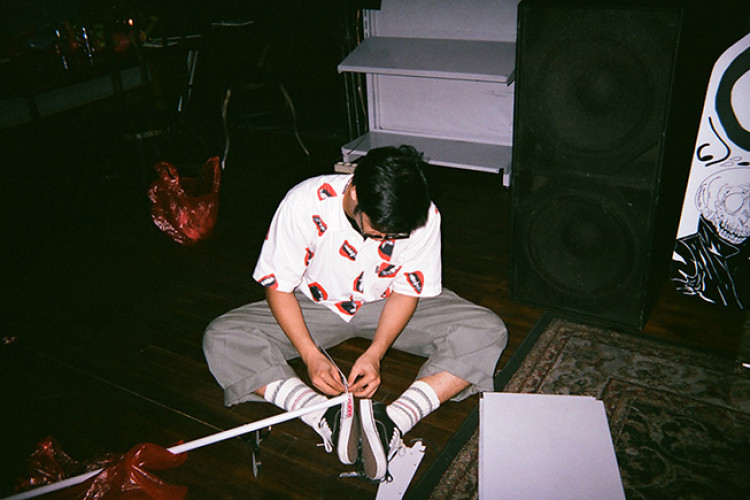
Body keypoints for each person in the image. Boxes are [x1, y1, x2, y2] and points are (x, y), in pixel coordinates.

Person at [203, 145, 507, 481]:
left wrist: (376, 352)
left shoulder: (423, 213)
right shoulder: (303, 202)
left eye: (394, 235)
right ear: (355, 192)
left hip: (387, 302)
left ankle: (392, 421)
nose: (385, 239)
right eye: (378, 229)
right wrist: (310, 355)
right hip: (314, 304)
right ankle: (322, 414)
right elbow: (278, 287)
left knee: (486, 329)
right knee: (223, 336)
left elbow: (407, 290)